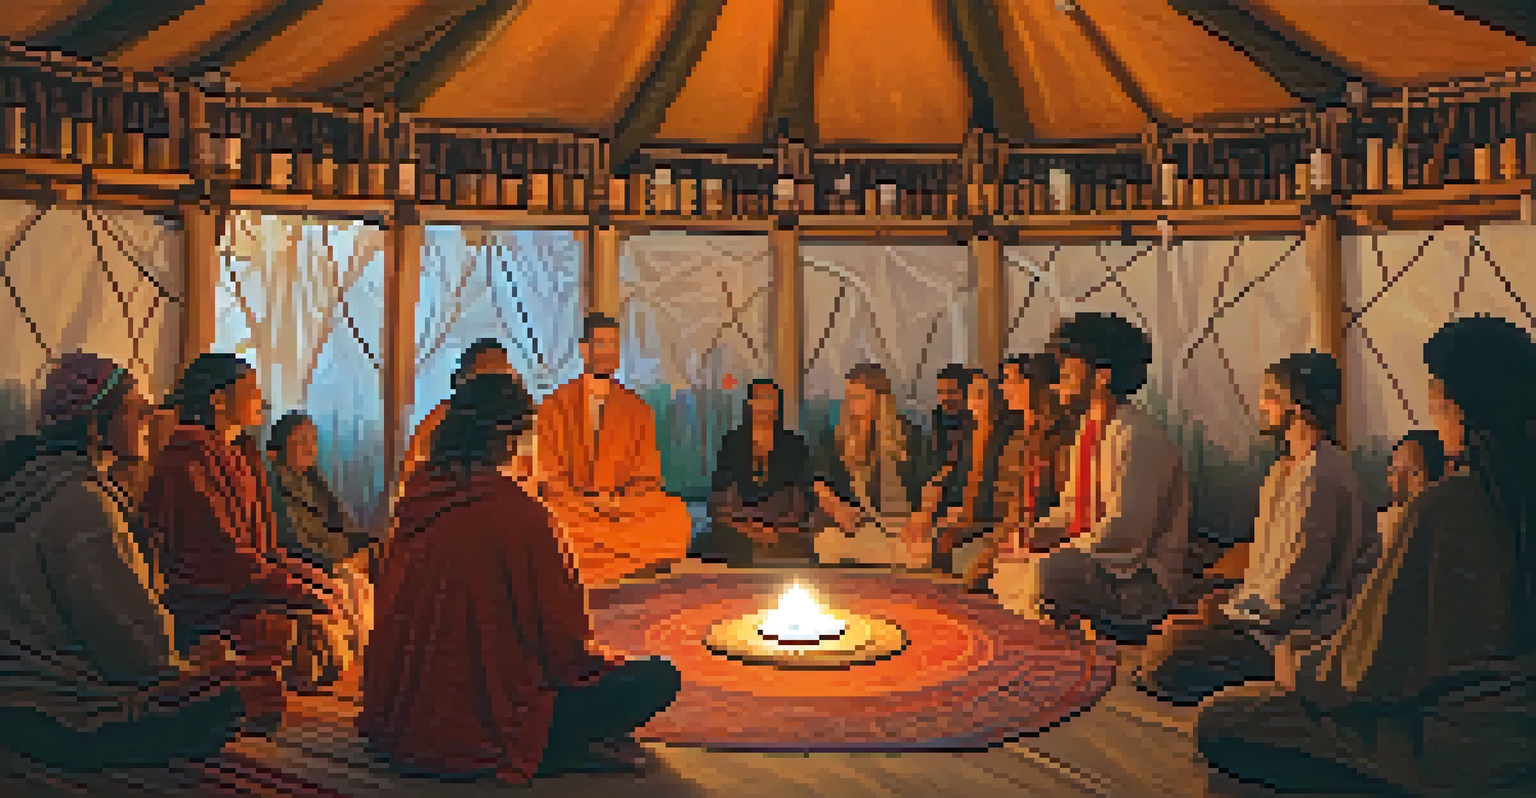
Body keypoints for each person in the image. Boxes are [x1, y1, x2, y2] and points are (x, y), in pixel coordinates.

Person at [1196, 316, 1536, 795]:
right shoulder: (1494, 500)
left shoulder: (1444, 509)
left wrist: (1296, 665)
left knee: (1222, 720)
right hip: (1516, 742)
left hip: (1454, 751)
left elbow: (1369, 669)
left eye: (1437, 399)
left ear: (1462, 409)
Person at [361, 372, 681, 784]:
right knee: (658, 677)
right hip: (494, 720)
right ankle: (562, 750)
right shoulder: (523, 517)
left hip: (401, 718)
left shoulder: (413, 503)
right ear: (509, 439)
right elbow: (564, 646)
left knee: (665, 517)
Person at [0, 353, 273, 769]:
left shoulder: (32, 485)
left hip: (19, 700)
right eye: (134, 411)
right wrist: (196, 660)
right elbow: (133, 650)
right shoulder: (84, 502)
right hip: (60, 710)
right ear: (97, 423)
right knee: (255, 691)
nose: (147, 421)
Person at [1138, 352, 1376, 705]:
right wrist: (1221, 603)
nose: (1261, 404)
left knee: (1168, 652)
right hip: (1261, 617)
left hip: (1295, 634)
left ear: (1297, 405)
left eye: (1270, 395)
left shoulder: (1321, 479)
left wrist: (1217, 616)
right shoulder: (1285, 471)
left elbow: (1289, 594)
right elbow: (1265, 575)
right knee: (1171, 623)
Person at [139, 354, 339, 732]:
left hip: (247, 583)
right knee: (310, 631)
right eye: (251, 390)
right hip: (208, 600)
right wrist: (299, 589)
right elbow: (220, 559)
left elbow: (268, 549)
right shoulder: (185, 461)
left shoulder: (244, 453)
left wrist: (309, 578)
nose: (260, 400)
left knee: (338, 596)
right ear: (217, 400)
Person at [992, 313, 1196, 645]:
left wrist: (1051, 550)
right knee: (1009, 564)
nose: (1061, 376)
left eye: (1070, 368)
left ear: (1101, 377)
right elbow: (1072, 507)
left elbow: (1124, 535)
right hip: (1094, 560)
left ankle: (1108, 624)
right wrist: (1035, 535)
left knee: (1048, 573)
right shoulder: (1090, 428)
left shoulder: (1137, 436)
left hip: (1137, 580)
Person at [535, 313, 693, 587]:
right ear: (585, 349)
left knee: (674, 514)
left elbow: (647, 476)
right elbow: (549, 475)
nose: (609, 352)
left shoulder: (637, 409)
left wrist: (617, 503)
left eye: (614, 345)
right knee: (550, 520)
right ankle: (626, 559)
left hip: (622, 510)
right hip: (575, 509)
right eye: (602, 344)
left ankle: (598, 557)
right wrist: (586, 503)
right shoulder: (555, 405)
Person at [266, 412, 374, 693]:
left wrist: (367, 548)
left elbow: (346, 525)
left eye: (313, 441)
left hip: (337, 558)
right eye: (300, 441)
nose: (309, 448)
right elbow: (292, 540)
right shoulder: (274, 484)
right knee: (350, 587)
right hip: (311, 562)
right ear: (277, 449)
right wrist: (339, 560)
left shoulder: (315, 480)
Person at [811, 363, 947, 570]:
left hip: (904, 527)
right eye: (849, 397)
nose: (851, 404)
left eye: (859, 397)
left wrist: (923, 515)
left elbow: (934, 479)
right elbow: (819, 482)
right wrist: (837, 508)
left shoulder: (910, 436)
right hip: (860, 528)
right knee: (827, 542)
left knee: (922, 550)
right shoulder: (835, 439)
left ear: (879, 399)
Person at [963, 352, 1073, 589]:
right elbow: (1011, 504)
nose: (1005, 389)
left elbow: (1056, 507)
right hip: (1011, 534)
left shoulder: (1063, 438)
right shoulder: (1018, 438)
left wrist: (1006, 544)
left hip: (1045, 539)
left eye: (1012, 381)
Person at [694, 379, 814, 565]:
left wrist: (774, 526)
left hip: (782, 525)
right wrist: (747, 525)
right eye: (759, 398)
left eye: (769, 399)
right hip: (739, 523)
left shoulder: (794, 445)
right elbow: (720, 492)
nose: (764, 405)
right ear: (749, 403)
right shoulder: (732, 442)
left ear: (777, 405)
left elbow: (802, 495)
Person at [400, 339, 517, 488]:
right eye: (485, 379)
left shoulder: (516, 423)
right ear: (460, 379)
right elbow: (411, 479)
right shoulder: (436, 423)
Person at [931, 370, 1013, 577]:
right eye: (971, 395)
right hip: (967, 511)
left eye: (980, 395)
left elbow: (998, 488)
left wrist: (968, 515)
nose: (973, 402)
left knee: (945, 540)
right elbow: (959, 478)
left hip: (991, 515)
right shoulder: (968, 436)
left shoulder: (1004, 439)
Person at [1379, 429, 1445, 551]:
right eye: (1393, 471)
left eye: (1413, 473)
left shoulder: (1444, 531)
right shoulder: (1379, 527)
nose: (1398, 485)